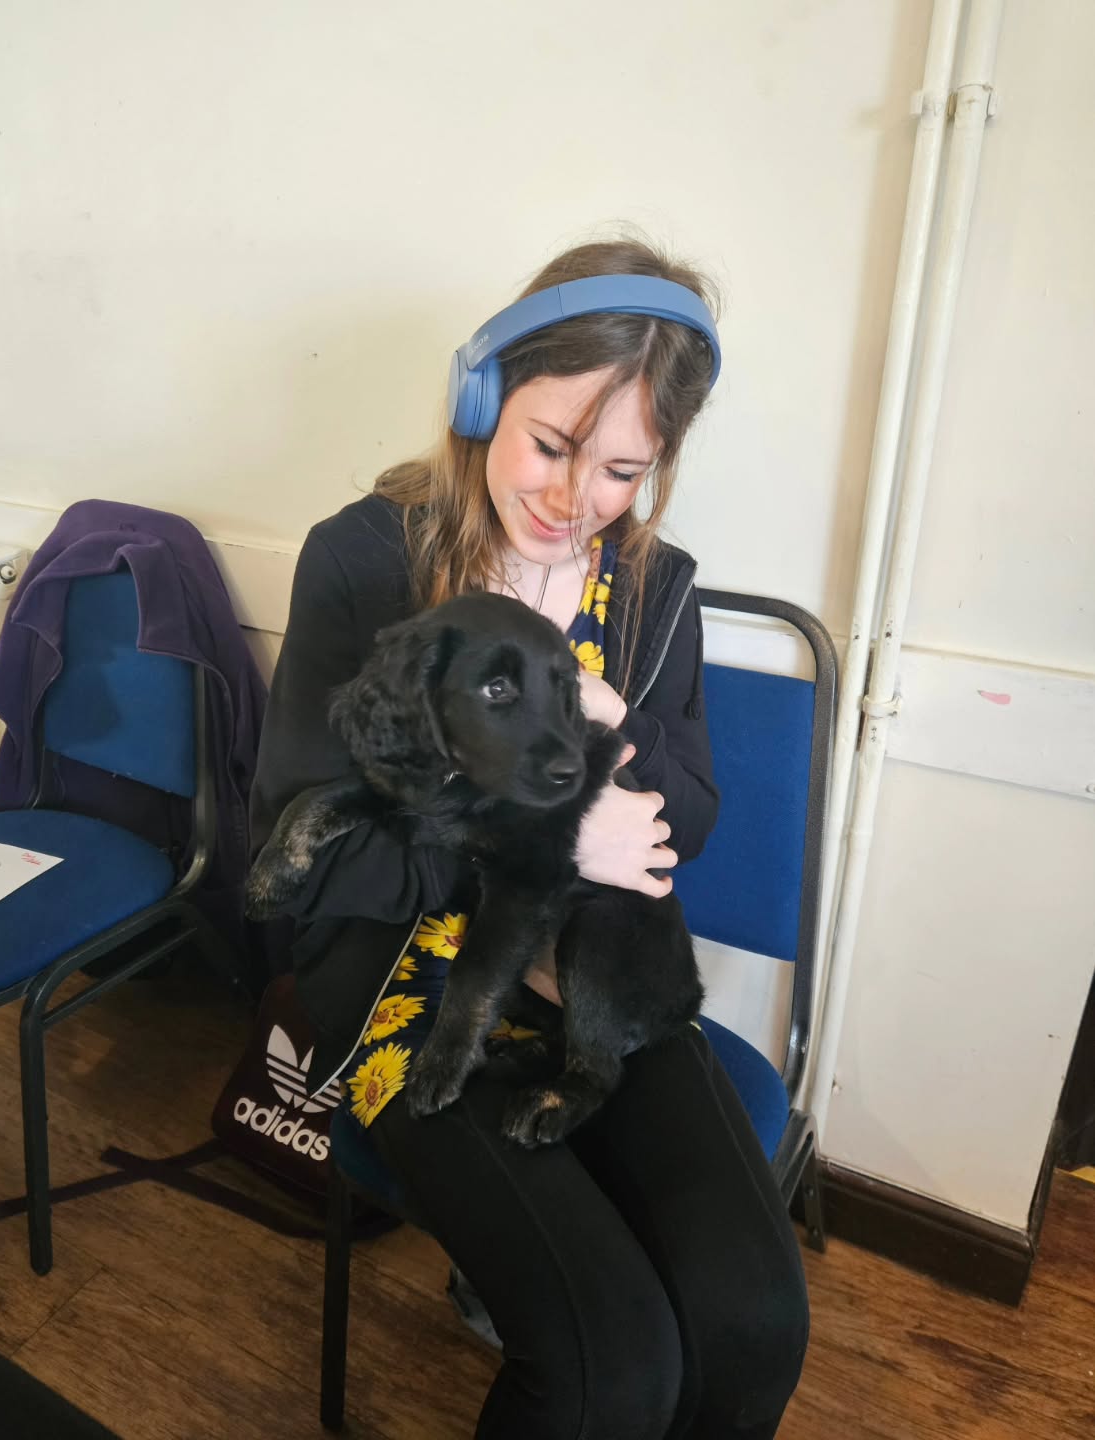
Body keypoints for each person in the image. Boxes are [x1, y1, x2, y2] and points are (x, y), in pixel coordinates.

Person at [250, 237, 809, 1439]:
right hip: (395, 962)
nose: (574, 498)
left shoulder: (652, 588)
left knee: (751, 1318)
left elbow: (691, 819)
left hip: (588, 965)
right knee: (611, 1365)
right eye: (552, 446)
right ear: (482, 397)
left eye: (621, 470)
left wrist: (609, 722)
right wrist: (563, 845)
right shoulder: (364, 558)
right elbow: (306, 858)